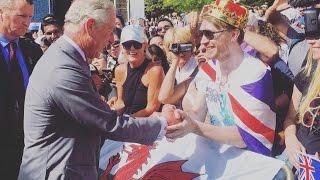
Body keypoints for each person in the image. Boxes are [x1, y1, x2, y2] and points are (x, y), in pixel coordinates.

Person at [18, 1, 178, 179]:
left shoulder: (67, 57)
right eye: (109, 30)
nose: (111, 39)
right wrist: (162, 123)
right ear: (90, 26)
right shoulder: (63, 68)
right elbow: (109, 124)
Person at [166, 0, 276, 157]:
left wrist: (195, 127)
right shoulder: (208, 69)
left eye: (210, 34)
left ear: (234, 34)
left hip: (251, 160)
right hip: (217, 154)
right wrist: (175, 118)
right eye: (201, 33)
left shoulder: (254, 73)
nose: (203, 41)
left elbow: (246, 137)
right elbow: (197, 113)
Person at [0, 0, 43, 179]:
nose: (27, 22)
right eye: (22, 16)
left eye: (30, 16)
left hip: (29, 146)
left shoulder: (31, 50)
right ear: (2, 13)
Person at [110, 24, 164, 117]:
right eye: (127, 45)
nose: (132, 48)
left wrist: (125, 122)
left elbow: (152, 108)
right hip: (126, 122)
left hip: (145, 124)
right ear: (122, 48)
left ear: (145, 46)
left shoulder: (155, 70)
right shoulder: (119, 70)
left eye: (136, 44)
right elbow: (121, 102)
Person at [283, 38, 320, 170]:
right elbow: (290, 118)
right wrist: (290, 138)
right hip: (294, 157)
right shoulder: (308, 71)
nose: (311, 42)